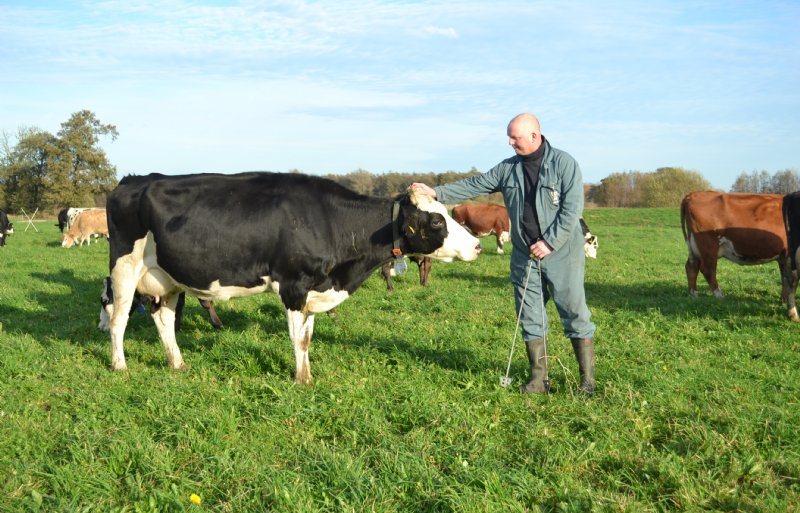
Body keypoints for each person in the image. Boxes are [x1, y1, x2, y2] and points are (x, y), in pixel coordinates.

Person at [411, 113, 596, 395]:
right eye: (509, 137)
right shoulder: (508, 168)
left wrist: (549, 242)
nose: (510, 143)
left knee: (574, 312)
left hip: (562, 254)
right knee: (530, 316)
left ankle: (587, 382)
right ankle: (538, 381)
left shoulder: (564, 164)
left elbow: (572, 209)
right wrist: (436, 192)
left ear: (534, 136)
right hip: (525, 255)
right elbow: (476, 184)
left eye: (515, 137)